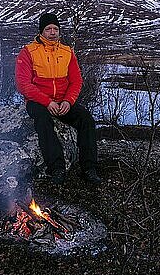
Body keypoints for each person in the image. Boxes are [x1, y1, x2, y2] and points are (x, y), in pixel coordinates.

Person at [15, 12, 101, 185]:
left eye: (55, 28)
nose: (52, 32)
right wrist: (47, 102)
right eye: (48, 29)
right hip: (38, 101)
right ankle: (57, 168)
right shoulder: (28, 52)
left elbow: (76, 80)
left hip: (63, 101)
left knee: (87, 120)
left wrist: (68, 101)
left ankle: (89, 169)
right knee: (43, 120)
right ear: (41, 31)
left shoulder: (67, 52)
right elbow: (23, 84)